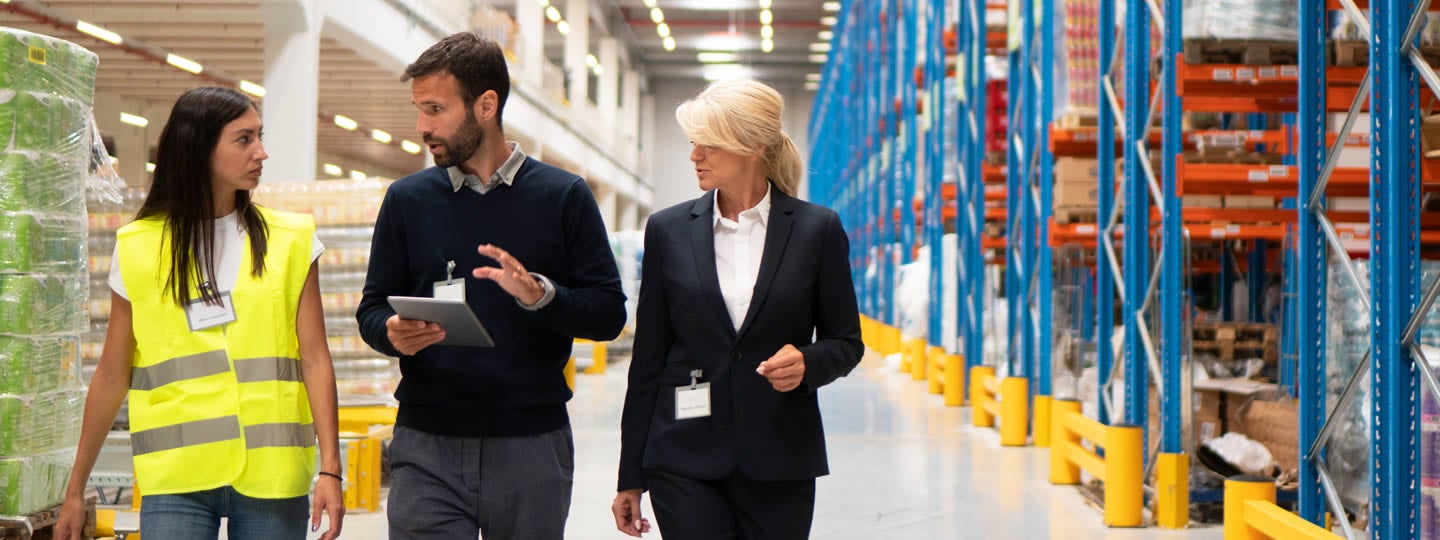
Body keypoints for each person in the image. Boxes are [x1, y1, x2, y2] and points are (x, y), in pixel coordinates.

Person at [356, 32, 627, 539]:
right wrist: (390, 331)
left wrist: (541, 296)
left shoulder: (564, 196)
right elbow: (371, 308)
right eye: (419, 109)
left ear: (486, 105)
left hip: (530, 445)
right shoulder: (407, 201)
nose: (422, 128)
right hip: (425, 443)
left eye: (435, 109)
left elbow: (609, 314)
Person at [54, 86, 344, 540]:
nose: (261, 152)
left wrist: (331, 469)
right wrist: (76, 487)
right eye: (244, 139)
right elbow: (112, 373)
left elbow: (315, 359)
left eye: (260, 137)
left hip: (272, 473)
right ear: (199, 148)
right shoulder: (139, 247)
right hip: (177, 477)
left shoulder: (292, 240)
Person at [612, 79, 864, 539]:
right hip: (682, 456)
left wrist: (807, 363)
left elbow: (846, 343)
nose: (694, 156)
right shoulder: (668, 230)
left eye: (707, 144)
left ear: (752, 146)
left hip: (780, 455)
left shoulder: (816, 230)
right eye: (693, 143)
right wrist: (631, 475)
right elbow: (648, 359)